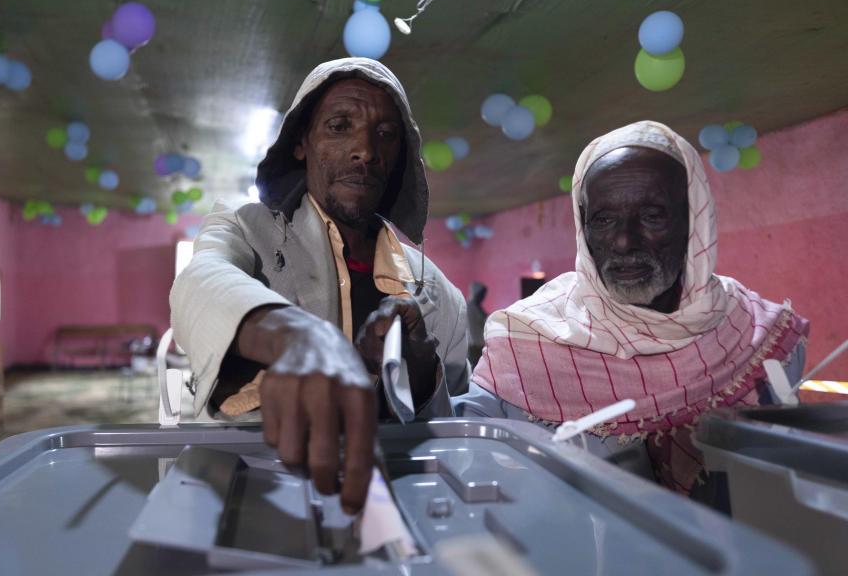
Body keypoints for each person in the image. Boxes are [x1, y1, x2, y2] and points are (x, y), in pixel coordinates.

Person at [170, 58, 470, 513]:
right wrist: (290, 334)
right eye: (339, 126)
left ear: (399, 156)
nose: (364, 150)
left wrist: (423, 373)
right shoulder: (244, 227)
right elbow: (201, 279)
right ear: (300, 144)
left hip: (397, 506)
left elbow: (459, 439)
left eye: (385, 134)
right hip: (259, 499)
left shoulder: (438, 294)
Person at [454, 121, 809, 499]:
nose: (624, 241)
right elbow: (465, 460)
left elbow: (792, 484)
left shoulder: (759, 338)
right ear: (583, 227)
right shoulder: (528, 342)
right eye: (604, 220)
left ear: (695, 220)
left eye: (652, 215)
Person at [466, 281, 488, 365]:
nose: (483, 296)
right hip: (474, 344)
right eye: (482, 294)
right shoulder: (470, 307)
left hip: (479, 343)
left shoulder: (477, 307)